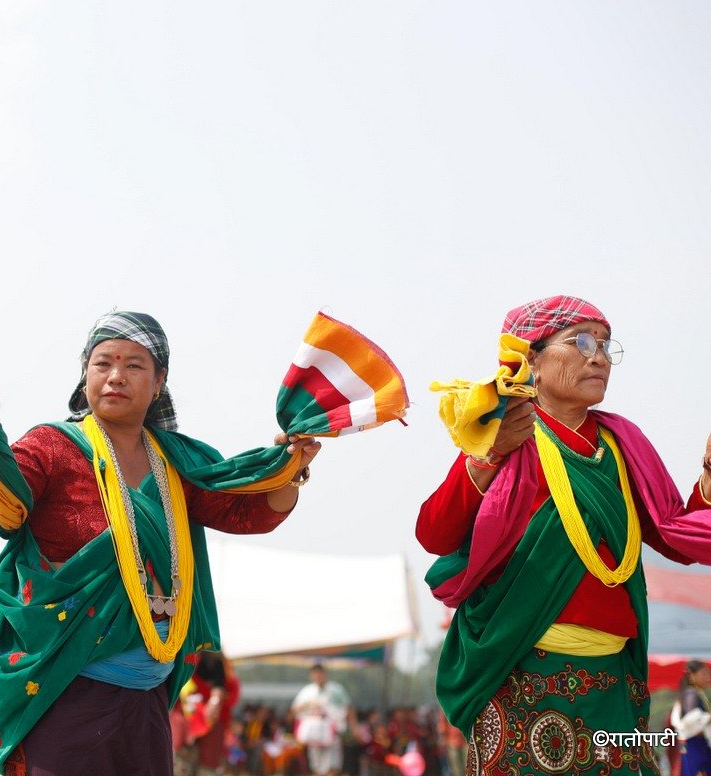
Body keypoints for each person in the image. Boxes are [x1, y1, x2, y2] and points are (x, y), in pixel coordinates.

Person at [0, 310, 322, 775]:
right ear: (84, 372)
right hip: (64, 687)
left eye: (134, 366)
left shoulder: (179, 460)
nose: (115, 377)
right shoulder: (51, 446)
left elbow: (248, 511)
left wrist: (292, 465)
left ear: (159, 380)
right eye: (102, 363)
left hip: (148, 699)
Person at [419, 295, 711, 775]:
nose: (597, 356)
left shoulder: (624, 445)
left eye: (604, 344)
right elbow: (434, 533)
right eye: (578, 341)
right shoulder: (504, 434)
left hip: (612, 680)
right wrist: (487, 457)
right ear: (530, 358)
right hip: (521, 670)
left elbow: (676, 536)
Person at [291, 664, 351, 776]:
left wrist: (353, 727)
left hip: (331, 734)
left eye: (320, 673)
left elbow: (348, 708)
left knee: (331, 766)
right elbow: (294, 709)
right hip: (314, 735)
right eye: (315, 674)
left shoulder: (336, 690)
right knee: (317, 767)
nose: (318, 676)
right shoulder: (307, 691)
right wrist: (309, 705)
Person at [672, 660, 711, 776]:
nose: (707, 677)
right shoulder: (691, 694)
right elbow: (691, 719)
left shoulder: (693, 693)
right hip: (695, 745)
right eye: (704, 674)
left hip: (691, 745)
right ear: (692, 676)